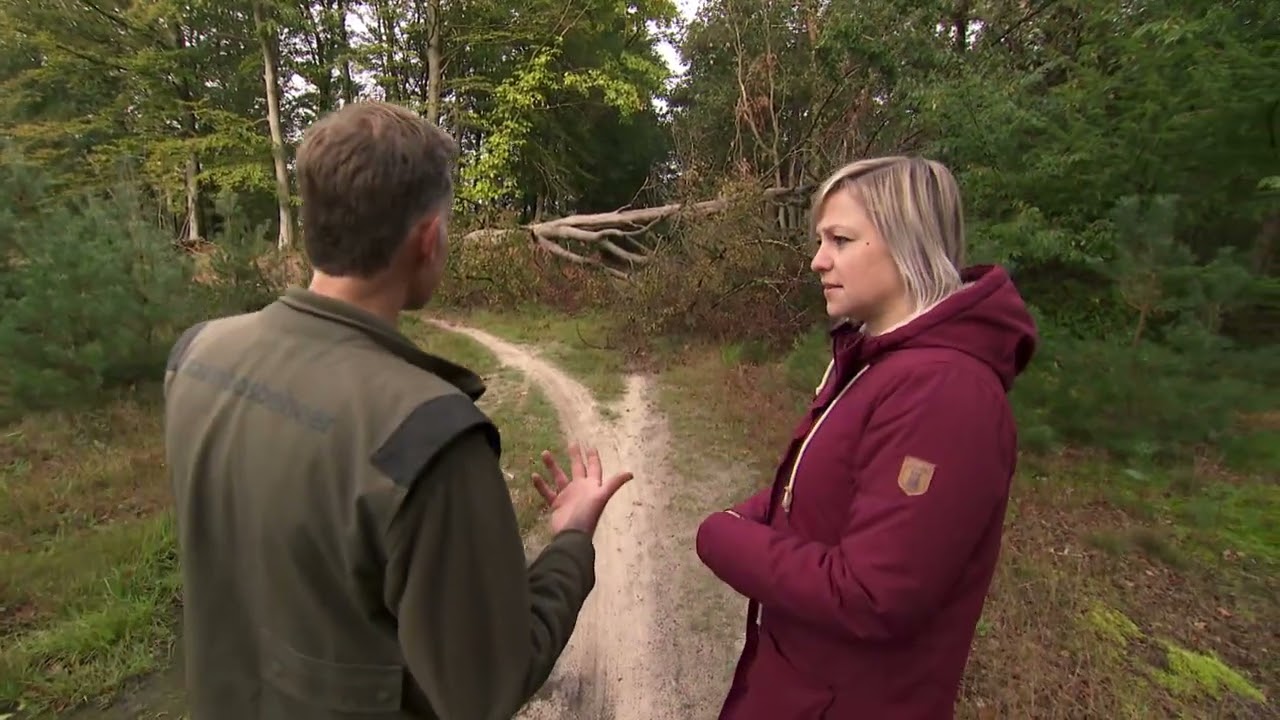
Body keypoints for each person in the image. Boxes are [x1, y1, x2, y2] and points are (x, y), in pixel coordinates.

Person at [162, 101, 633, 720]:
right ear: (428, 239)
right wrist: (571, 539)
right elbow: (488, 685)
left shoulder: (195, 356)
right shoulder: (429, 438)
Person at [695, 156, 1038, 719]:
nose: (818, 260)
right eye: (820, 240)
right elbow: (820, 491)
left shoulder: (943, 391)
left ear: (908, 243)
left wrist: (720, 538)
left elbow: (874, 597)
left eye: (841, 240)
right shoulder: (877, 362)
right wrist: (746, 515)